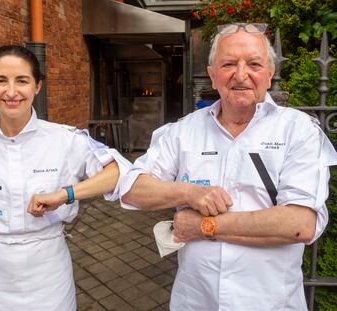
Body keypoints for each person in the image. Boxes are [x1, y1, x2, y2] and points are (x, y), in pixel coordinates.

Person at [121, 23, 337, 310]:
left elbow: (299, 224)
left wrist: (202, 226)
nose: (240, 74)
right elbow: (131, 190)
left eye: (254, 63)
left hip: (270, 302)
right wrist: (188, 193)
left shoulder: (298, 131)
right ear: (212, 75)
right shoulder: (183, 131)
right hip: (196, 300)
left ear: (270, 73)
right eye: (228, 63)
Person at [0, 45, 131, 311]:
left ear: (37, 86)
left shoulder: (65, 139)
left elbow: (117, 173)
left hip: (49, 275)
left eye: (22, 81)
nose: (10, 92)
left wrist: (65, 194)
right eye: (0, 81)